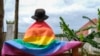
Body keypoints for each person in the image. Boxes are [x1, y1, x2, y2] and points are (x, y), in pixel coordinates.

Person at [2, 8, 81, 56]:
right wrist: (74, 42)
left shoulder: (31, 29)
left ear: (35, 18)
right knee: (60, 43)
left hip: (31, 51)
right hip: (47, 50)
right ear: (44, 18)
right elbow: (52, 42)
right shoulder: (48, 29)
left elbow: (26, 42)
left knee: (13, 42)